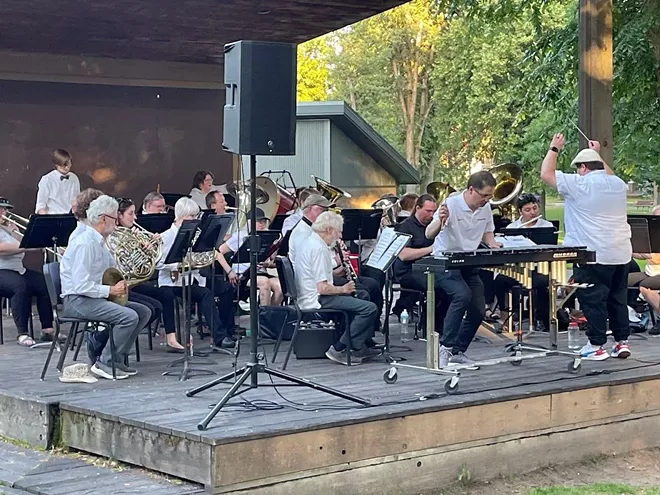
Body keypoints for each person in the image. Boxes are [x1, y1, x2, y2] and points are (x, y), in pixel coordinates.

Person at [540, 133, 632, 360]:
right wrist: (598, 154)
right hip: (621, 252)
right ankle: (621, 342)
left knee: (594, 299)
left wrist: (554, 148)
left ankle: (596, 345)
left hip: (593, 253)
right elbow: (607, 173)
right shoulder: (618, 184)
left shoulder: (578, 183)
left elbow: (546, 174)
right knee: (618, 299)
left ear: (582, 167)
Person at [60, 195, 152, 380]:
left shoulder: (100, 242)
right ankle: (104, 362)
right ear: (103, 219)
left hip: (92, 297)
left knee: (143, 311)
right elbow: (80, 285)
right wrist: (110, 291)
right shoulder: (85, 243)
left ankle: (116, 358)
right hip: (77, 300)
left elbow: (113, 270)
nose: (116, 222)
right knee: (128, 316)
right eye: (113, 218)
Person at [425, 171, 503, 367]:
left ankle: (458, 351)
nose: (486, 200)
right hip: (445, 261)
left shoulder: (485, 209)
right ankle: (445, 348)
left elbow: (488, 234)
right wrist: (439, 220)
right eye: (484, 195)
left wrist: (493, 244)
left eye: (490, 196)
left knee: (478, 309)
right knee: (461, 295)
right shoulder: (451, 204)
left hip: (468, 261)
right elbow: (429, 234)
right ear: (470, 190)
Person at [295, 211, 378, 365]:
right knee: (370, 309)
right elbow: (322, 288)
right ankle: (339, 348)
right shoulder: (319, 249)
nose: (340, 236)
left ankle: (358, 346)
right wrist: (343, 289)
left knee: (362, 295)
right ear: (328, 230)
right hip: (317, 299)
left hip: (310, 294)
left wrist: (339, 266)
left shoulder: (311, 243)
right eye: (338, 231)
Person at [157, 197, 234, 348]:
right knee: (205, 294)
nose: (195, 220)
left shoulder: (194, 234)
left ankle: (224, 334)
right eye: (191, 216)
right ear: (181, 215)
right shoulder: (165, 236)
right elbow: (158, 264)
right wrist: (178, 265)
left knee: (223, 289)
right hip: (172, 282)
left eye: (195, 216)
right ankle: (218, 335)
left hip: (192, 279)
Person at [115, 198, 184, 350]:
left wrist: (147, 249)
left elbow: (148, 265)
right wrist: (135, 248)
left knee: (165, 296)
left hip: (132, 285)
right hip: (118, 287)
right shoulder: (114, 236)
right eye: (131, 213)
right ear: (119, 215)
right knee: (151, 308)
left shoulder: (132, 234)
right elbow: (120, 266)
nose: (135, 217)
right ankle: (118, 342)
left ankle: (171, 338)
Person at [0, 197, 55, 347]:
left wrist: (14, 232)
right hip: (2, 270)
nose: (4, 212)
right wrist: (27, 245)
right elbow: (3, 249)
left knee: (43, 283)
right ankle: (22, 333)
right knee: (20, 286)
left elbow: (25, 243)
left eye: (5, 209)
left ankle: (47, 329)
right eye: (1, 209)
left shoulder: (8, 227)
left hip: (18, 269)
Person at [493, 193, 554, 329]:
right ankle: (506, 317)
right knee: (499, 281)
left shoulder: (546, 226)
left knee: (542, 282)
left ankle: (541, 318)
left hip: (539, 268)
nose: (532, 212)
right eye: (528, 210)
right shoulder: (512, 228)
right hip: (518, 268)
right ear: (520, 211)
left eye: (535, 208)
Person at [216, 208, 283, 306]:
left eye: (263, 221)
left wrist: (274, 244)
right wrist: (229, 271)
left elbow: (272, 260)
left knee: (280, 286)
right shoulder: (240, 236)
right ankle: (263, 318)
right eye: (258, 221)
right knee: (264, 283)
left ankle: (269, 315)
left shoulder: (266, 236)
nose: (261, 224)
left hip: (261, 272)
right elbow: (218, 252)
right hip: (243, 273)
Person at [392, 194, 441, 322]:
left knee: (448, 282)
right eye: (428, 211)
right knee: (436, 285)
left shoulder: (433, 225)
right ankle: (429, 323)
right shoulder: (405, 226)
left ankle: (437, 321)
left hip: (429, 268)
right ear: (418, 208)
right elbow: (403, 255)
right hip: (407, 271)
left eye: (434, 211)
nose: (431, 214)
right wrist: (431, 249)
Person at [35, 149, 81, 215]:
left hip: (71, 217)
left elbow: (77, 201)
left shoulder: (74, 178)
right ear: (56, 165)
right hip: (54, 218)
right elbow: (41, 205)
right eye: (64, 165)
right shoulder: (47, 179)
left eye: (69, 164)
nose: (67, 167)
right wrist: (47, 219)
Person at [629, 205, 660, 292]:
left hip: (658, 275)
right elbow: (643, 256)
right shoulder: (650, 236)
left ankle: (653, 304)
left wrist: (646, 254)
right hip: (649, 273)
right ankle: (632, 304)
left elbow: (649, 255)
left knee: (644, 285)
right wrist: (627, 250)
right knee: (620, 280)